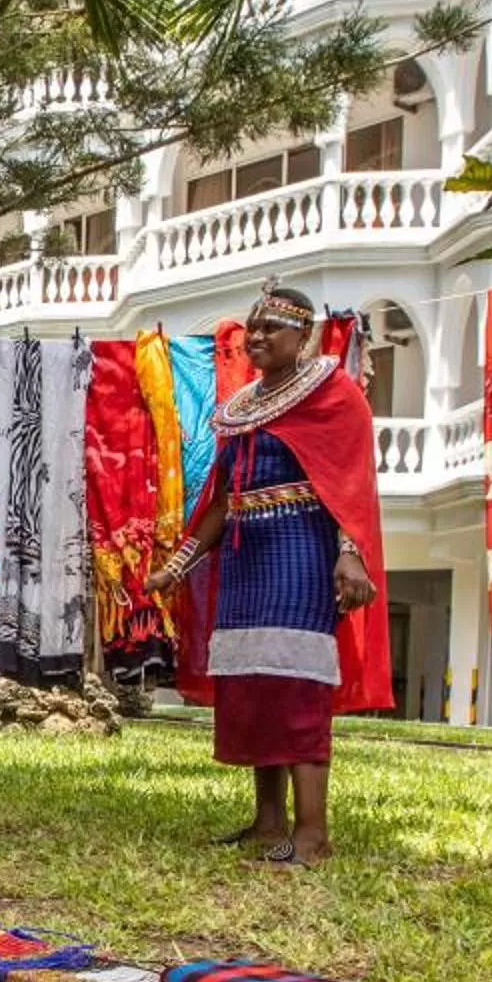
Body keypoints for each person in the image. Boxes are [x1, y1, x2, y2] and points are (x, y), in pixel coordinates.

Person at [154, 285, 390, 865]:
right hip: (244, 560)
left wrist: (350, 553)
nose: (256, 337)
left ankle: (312, 835)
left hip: (301, 554)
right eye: (253, 327)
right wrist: (177, 566)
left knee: (296, 685)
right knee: (254, 686)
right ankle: (268, 824)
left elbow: (350, 482)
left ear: (303, 335)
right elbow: (223, 499)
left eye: (271, 328)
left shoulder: (334, 394)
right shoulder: (243, 407)